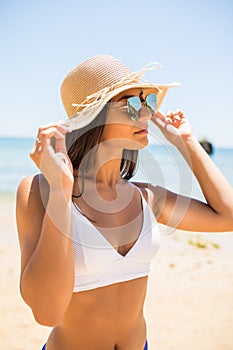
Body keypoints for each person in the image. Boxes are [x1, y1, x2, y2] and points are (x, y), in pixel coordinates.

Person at [16, 54, 233, 350]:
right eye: (131, 105)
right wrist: (60, 191)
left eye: (148, 103)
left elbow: (227, 217)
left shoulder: (147, 197)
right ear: (94, 117)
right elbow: (47, 312)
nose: (144, 114)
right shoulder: (40, 192)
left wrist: (186, 142)